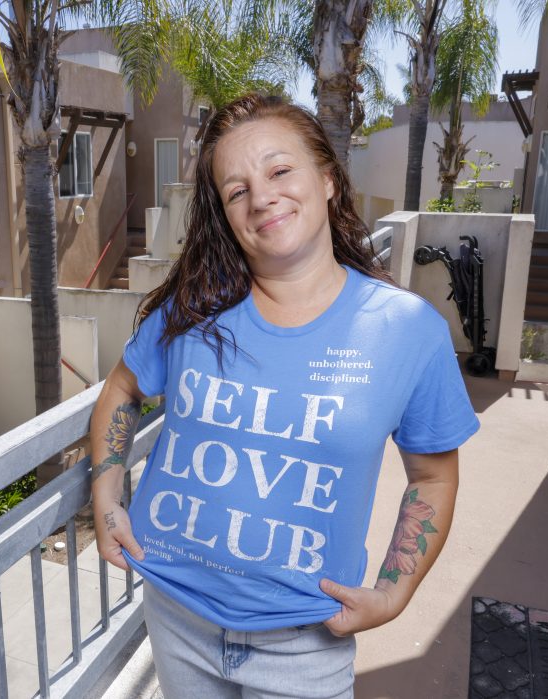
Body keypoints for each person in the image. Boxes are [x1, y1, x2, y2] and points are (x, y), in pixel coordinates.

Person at [89, 94, 479, 698]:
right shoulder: (195, 307)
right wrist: (105, 488)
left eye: (279, 170)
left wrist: (395, 592)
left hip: (305, 639)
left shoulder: (406, 329)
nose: (261, 197)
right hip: (175, 613)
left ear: (327, 178)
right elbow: (122, 387)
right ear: (224, 213)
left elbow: (431, 476)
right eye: (236, 190)